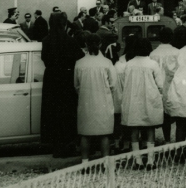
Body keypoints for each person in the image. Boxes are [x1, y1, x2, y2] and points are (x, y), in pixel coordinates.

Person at [41, 11, 84, 158]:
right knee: (67, 111)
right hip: (66, 78)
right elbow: (80, 55)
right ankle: (68, 145)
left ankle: (56, 147)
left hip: (51, 79)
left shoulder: (46, 40)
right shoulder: (69, 40)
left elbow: (44, 59)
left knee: (53, 112)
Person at [74, 33, 117, 167]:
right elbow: (113, 84)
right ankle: (105, 163)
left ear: (85, 45)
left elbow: (76, 85)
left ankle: (85, 164)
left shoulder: (80, 63)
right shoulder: (106, 63)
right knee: (104, 134)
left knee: (85, 134)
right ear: (100, 45)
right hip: (103, 102)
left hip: (85, 103)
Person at [121, 38, 164, 170]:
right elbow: (161, 85)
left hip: (133, 100)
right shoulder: (153, 64)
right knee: (150, 128)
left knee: (134, 129)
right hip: (149, 99)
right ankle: (151, 160)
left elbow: (124, 82)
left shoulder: (129, 64)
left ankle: (137, 160)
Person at [150, 27, 180, 145]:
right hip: (173, 86)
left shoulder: (153, 54)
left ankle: (166, 139)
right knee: (175, 115)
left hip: (158, 87)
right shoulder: (177, 52)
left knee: (163, 115)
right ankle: (176, 141)